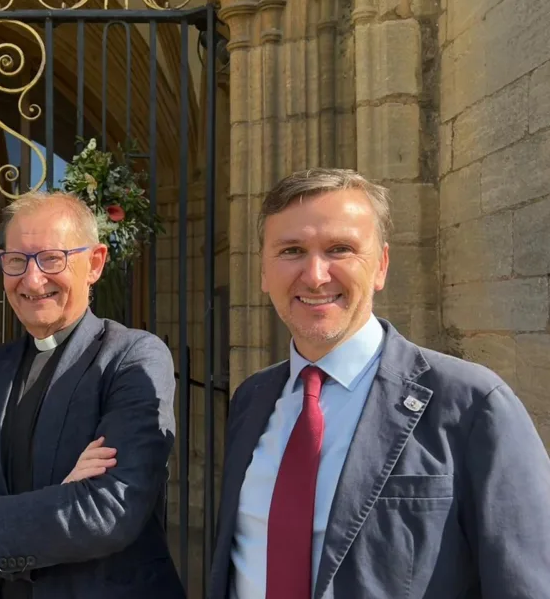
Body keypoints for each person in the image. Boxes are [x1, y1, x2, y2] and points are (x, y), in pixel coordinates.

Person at [207, 168, 550, 599]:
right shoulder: (252, 399)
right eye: (291, 250)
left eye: (340, 249)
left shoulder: (471, 404)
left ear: (381, 265)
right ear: (262, 271)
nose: (314, 275)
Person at [0, 191, 185, 599]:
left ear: (94, 263)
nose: (32, 280)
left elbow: (107, 510)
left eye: (52, 259)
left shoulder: (131, 357)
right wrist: (59, 499)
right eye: (16, 261)